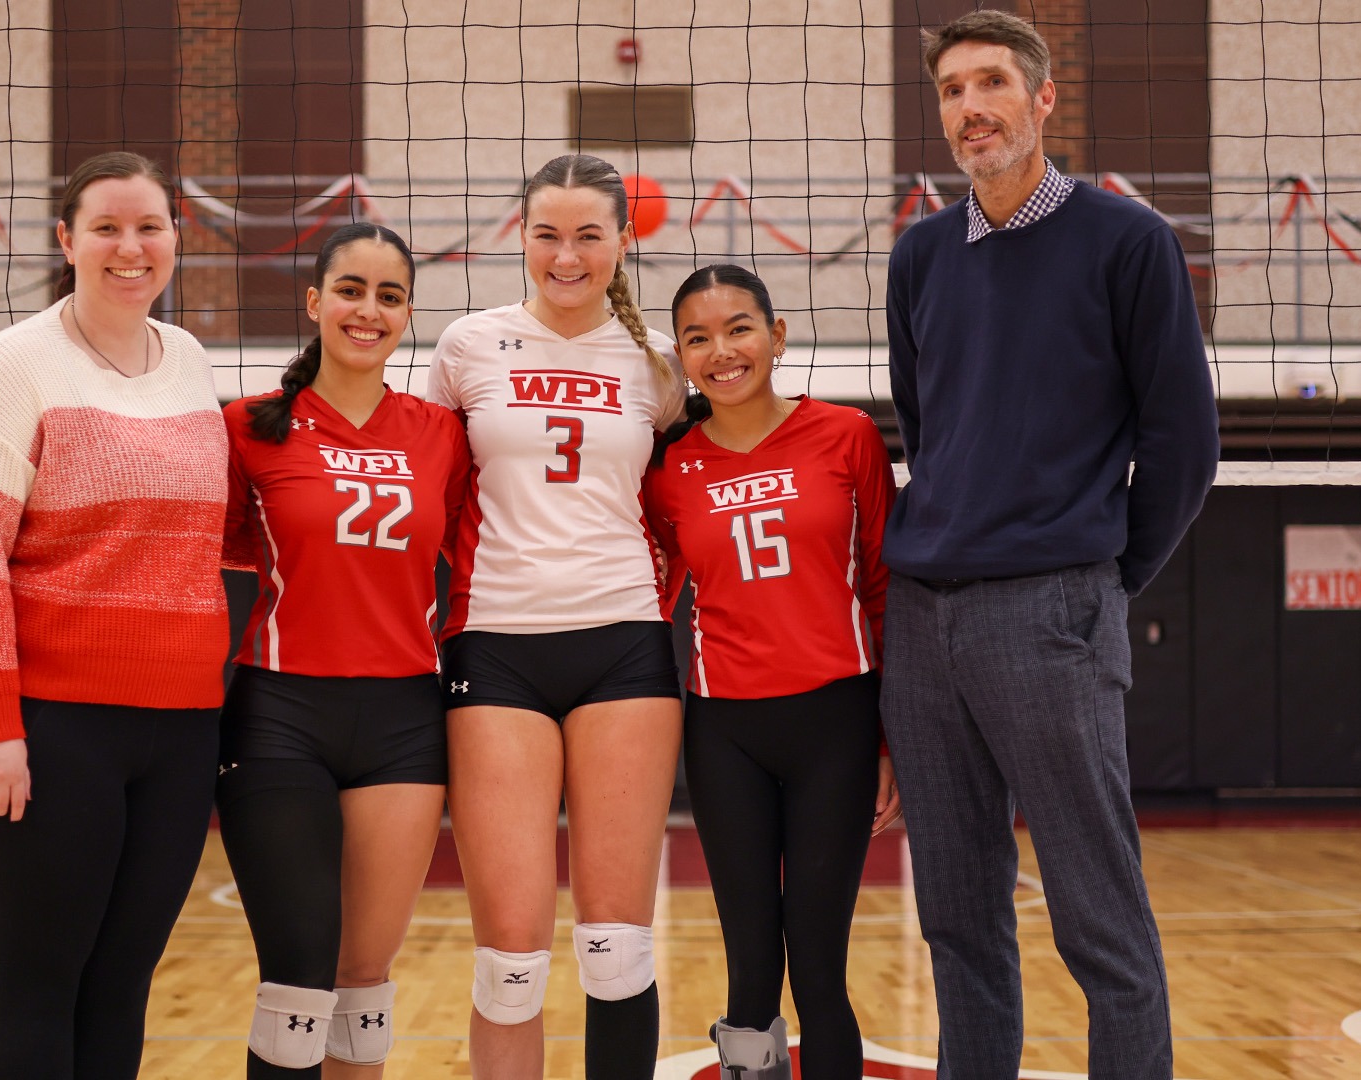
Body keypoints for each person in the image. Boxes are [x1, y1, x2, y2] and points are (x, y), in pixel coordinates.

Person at [880, 11, 1220, 1080]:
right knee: (957, 919)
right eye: (950, 90)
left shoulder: (1127, 242)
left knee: (1097, 921)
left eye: (990, 83)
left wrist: (1103, 577)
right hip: (922, 619)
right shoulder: (921, 255)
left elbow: (1184, 443)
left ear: (1043, 100)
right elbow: (925, 427)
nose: (969, 108)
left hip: (1051, 606)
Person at [0, 150, 230, 1078]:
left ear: (177, 238)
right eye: (106, 227)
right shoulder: (11, 366)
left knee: (122, 983)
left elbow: (201, 528)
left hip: (179, 733)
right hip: (50, 731)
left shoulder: (188, 360)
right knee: (38, 983)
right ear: (66, 240)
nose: (130, 247)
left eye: (149, 227)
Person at [426, 152, 688, 1080]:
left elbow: (684, 505)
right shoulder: (466, 347)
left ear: (623, 239)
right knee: (510, 963)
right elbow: (428, 488)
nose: (566, 255)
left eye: (588, 235)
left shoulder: (660, 365)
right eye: (548, 235)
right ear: (522, 238)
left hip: (624, 644)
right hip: (495, 648)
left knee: (617, 947)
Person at [215, 223, 469, 1080]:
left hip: (403, 717)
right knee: (296, 983)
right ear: (316, 301)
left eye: (389, 296)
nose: (369, 310)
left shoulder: (443, 432)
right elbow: (218, 542)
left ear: (408, 315)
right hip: (281, 713)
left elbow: (479, 553)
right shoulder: (248, 427)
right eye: (351, 291)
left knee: (363, 985)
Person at [642, 264, 900, 1080]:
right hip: (726, 732)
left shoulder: (847, 435)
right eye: (698, 337)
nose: (722, 350)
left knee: (819, 968)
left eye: (739, 328)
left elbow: (884, 583)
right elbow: (649, 590)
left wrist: (894, 736)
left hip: (838, 724)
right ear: (682, 358)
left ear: (777, 335)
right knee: (751, 969)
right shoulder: (668, 469)